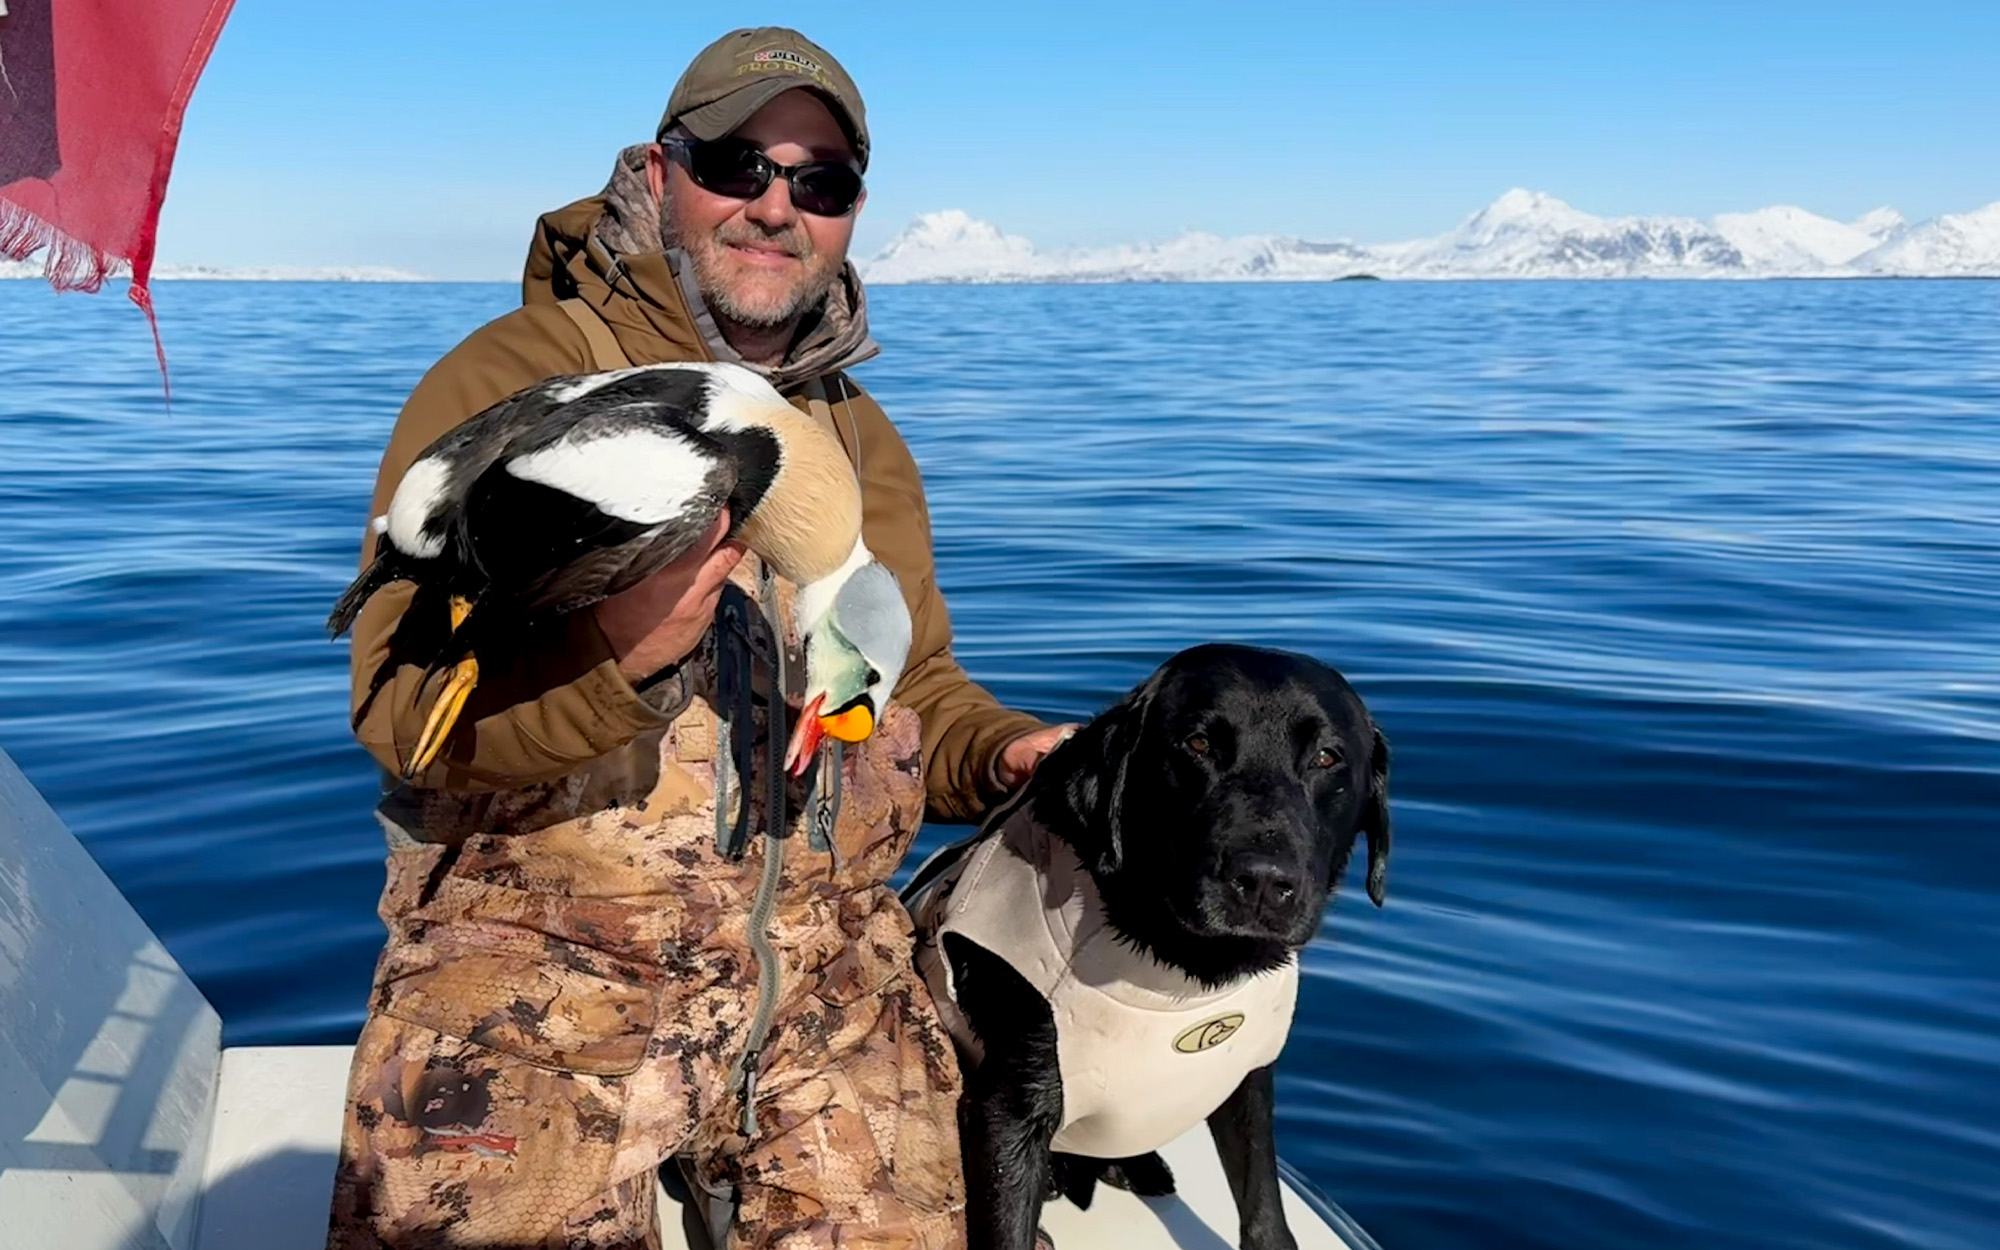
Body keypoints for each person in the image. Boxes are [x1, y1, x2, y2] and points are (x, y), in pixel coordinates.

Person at [326, 26, 1072, 1250]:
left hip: (823, 981)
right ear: (659, 169)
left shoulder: (860, 439)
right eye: (737, 164)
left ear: (847, 216)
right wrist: (614, 656)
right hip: (536, 975)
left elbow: (907, 678)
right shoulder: (527, 379)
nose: (776, 206)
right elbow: (403, 711)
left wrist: (1001, 755)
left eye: (819, 182)